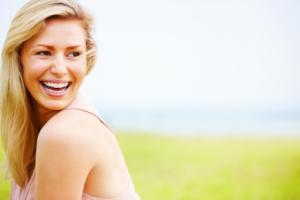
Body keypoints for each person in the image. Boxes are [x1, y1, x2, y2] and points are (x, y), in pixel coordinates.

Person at [0, 0, 140, 199]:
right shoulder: (35, 131)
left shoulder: (64, 134)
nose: (60, 69)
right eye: (44, 53)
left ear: (87, 60)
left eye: (73, 54)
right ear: (18, 58)